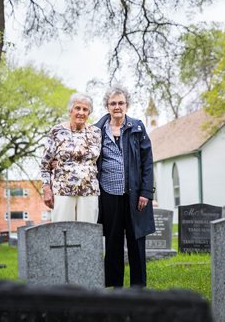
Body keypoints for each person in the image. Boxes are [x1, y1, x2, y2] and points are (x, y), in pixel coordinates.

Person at [95, 85, 155, 287]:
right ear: (107, 106)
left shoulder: (137, 127)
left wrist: (146, 192)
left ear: (126, 105)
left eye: (121, 103)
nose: (117, 107)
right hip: (109, 193)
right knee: (113, 242)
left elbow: (147, 162)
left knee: (136, 240)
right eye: (113, 103)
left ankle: (138, 286)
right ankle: (115, 285)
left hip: (135, 194)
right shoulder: (97, 130)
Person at [40, 92, 101, 223]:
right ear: (70, 110)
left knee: (88, 233)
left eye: (85, 109)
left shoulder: (96, 132)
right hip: (62, 191)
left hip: (89, 191)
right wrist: (46, 189)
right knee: (63, 233)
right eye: (77, 108)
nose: (81, 112)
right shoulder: (57, 131)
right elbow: (45, 164)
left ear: (89, 113)